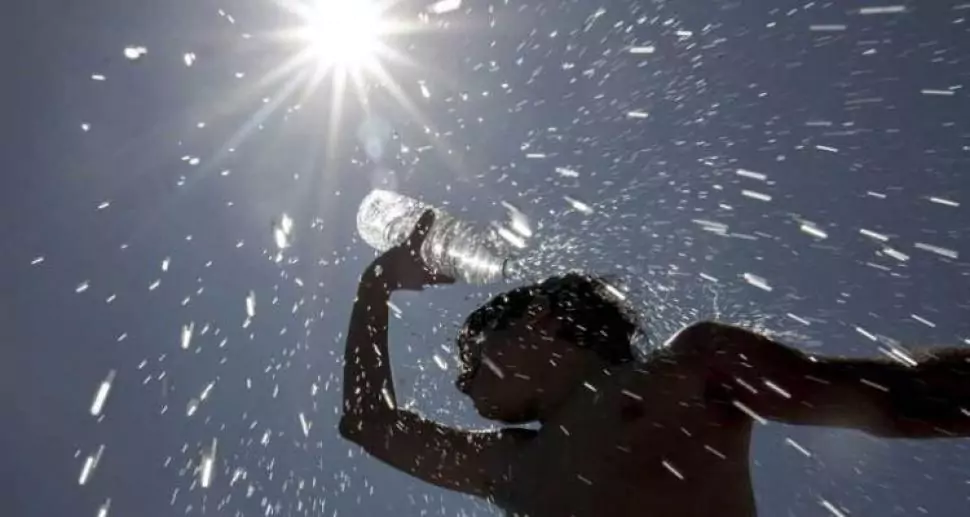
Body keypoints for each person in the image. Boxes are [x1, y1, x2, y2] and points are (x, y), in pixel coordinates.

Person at [340, 211, 970, 517]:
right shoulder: (510, 462)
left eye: (475, 355)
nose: (462, 378)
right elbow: (367, 422)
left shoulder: (689, 369)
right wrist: (374, 289)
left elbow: (897, 396)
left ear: (539, 321)